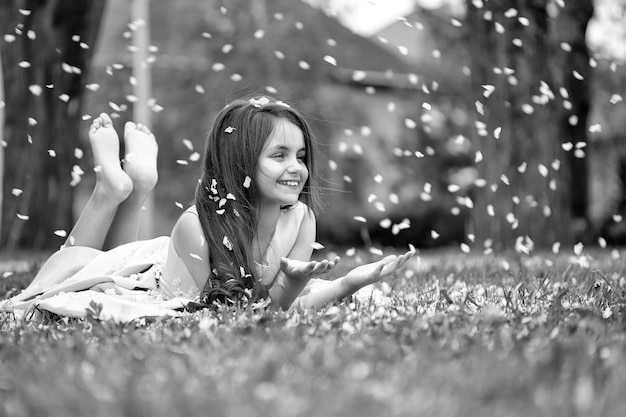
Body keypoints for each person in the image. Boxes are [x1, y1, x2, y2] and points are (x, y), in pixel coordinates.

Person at [0, 96, 416, 322]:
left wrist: (348, 282)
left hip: (167, 263)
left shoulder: (302, 219)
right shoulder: (194, 229)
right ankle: (111, 190)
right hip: (150, 279)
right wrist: (293, 288)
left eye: (301, 156)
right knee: (78, 261)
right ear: (241, 162)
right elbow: (238, 315)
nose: (297, 169)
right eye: (280, 156)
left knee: (97, 257)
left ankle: (131, 186)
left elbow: (270, 307)